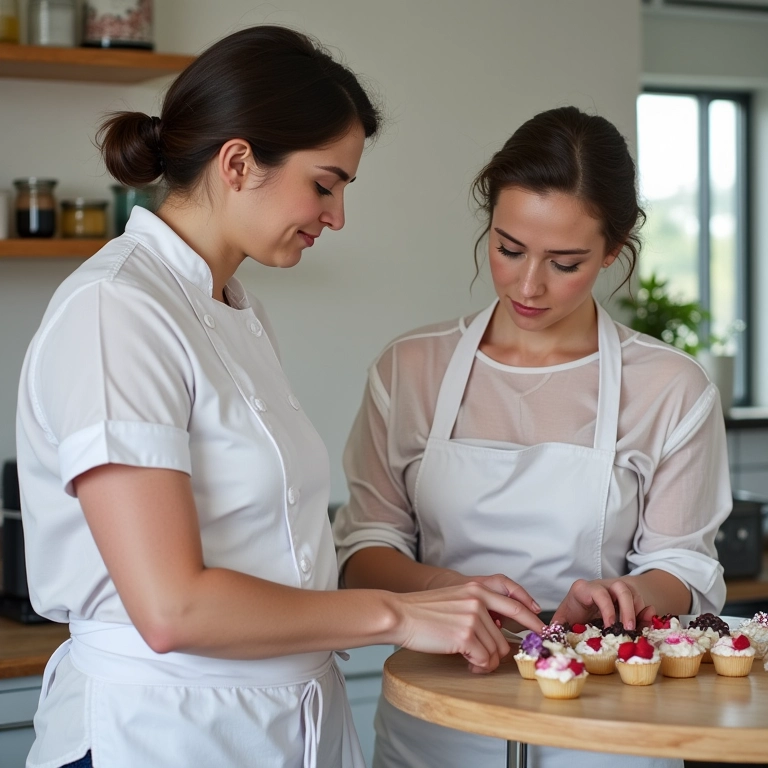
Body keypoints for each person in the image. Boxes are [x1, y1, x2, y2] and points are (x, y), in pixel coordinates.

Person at [15, 26, 545, 768]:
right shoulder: (116, 310)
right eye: (324, 183)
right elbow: (173, 608)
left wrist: (439, 592)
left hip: (277, 726)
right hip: (162, 734)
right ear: (238, 162)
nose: (336, 215)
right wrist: (399, 615)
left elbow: (276, 553)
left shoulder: (232, 308)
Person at [332, 105, 732, 768]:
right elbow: (363, 548)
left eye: (566, 262)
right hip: (436, 720)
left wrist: (621, 599)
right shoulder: (412, 367)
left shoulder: (669, 386)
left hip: (604, 730)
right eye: (508, 248)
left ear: (613, 249)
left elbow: (685, 567)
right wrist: (450, 594)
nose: (528, 284)